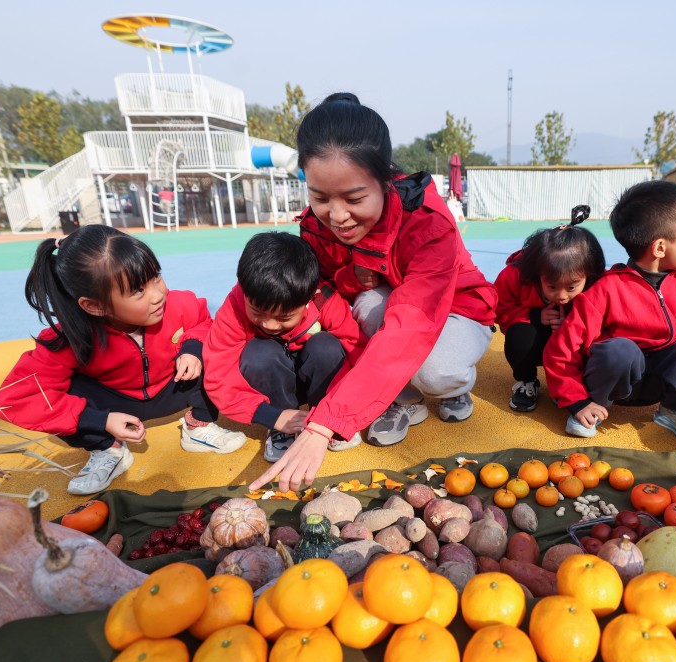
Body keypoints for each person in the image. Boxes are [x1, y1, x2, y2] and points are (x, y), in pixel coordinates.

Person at [253, 92, 497, 491]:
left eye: (354, 198)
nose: (337, 216)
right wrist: (351, 279)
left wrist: (325, 424)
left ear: (386, 181)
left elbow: (409, 328)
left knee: (436, 371)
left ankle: (452, 386)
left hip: (456, 308)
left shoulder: (428, 223)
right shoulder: (314, 228)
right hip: (389, 306)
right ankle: (401, 398)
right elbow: (326, 291)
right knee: (365, 303)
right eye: (319, 197)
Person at [0, 225, 246, 495]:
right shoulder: (69, 339)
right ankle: (108, 450)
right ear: (95, 305)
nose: (157, 294)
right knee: (57, 392)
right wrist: (97, 420)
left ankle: (199, 427)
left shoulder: (180, 305)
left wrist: (192, 349)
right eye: (138, 290)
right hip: (114, 406)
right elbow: (16, 398)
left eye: (156, 276)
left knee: (217, 348)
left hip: (172, 388)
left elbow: (204, 323)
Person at [543, 181, 676, 442]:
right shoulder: (607, 289)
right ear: (660, 248)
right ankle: (592, 410)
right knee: (620, 350)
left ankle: (673, 410)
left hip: (661, 379)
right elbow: (562, 349)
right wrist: (577, 400)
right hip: (616, 379)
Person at [203, 232, 367, 462]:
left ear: (310, 297)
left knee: (327, 346)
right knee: (258, 353)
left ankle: (327, 418)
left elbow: (358, 353)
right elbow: (219, 374)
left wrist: (345, 410)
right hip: (272, 383)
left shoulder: (325, 300)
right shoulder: (234, 308)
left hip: (315, 380)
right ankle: (282, 429)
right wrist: (271, 416)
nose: (270, 324)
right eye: (258, 313)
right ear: (245, 290)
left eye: (284, 317)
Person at [494, 204, 606, 412]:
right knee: (519, 336)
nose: (562, 296)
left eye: (572, 287)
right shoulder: (515, 276)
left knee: (598, 343)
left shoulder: (598, 284)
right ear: (538, 274)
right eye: (552, 286)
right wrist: (535, 316)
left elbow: (607, 319)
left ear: (588, 274)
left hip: (573, 342)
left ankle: (573, 383)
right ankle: (527, 381)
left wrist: (575, 321)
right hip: (536, 338)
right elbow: (499, 309)